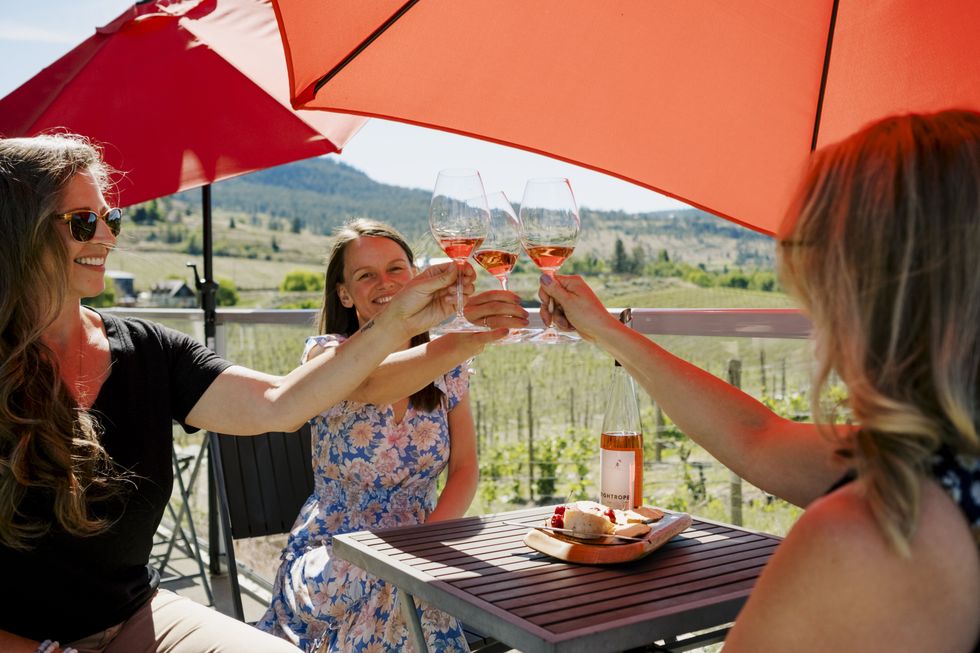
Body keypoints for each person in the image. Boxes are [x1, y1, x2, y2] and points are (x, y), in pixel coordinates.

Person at [0, 133, 483, 653]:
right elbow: (357, 384)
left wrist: (399, 324)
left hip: (131, 614)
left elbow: (279, 404)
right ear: (18, 231)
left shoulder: (148, 351)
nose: (105, 238)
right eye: (82, 222)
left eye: (109, 219)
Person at [538, 110, 980, 652]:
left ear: (875, 298)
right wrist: (607, 332)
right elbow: (757, 436)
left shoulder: (875, 530)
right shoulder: (941, 462)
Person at [256, 218, 529, 652]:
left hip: (423, 543)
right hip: (335, 552)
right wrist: (461, 341)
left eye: (396, 269)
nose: (384, 282)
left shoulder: (448, 366)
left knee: (455, 584)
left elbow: (465, 467)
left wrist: (426, 545)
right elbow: (370, 384)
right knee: (387, 582)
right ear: (344, 293)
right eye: (366, 275)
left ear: (415, 277)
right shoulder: (324, 354)